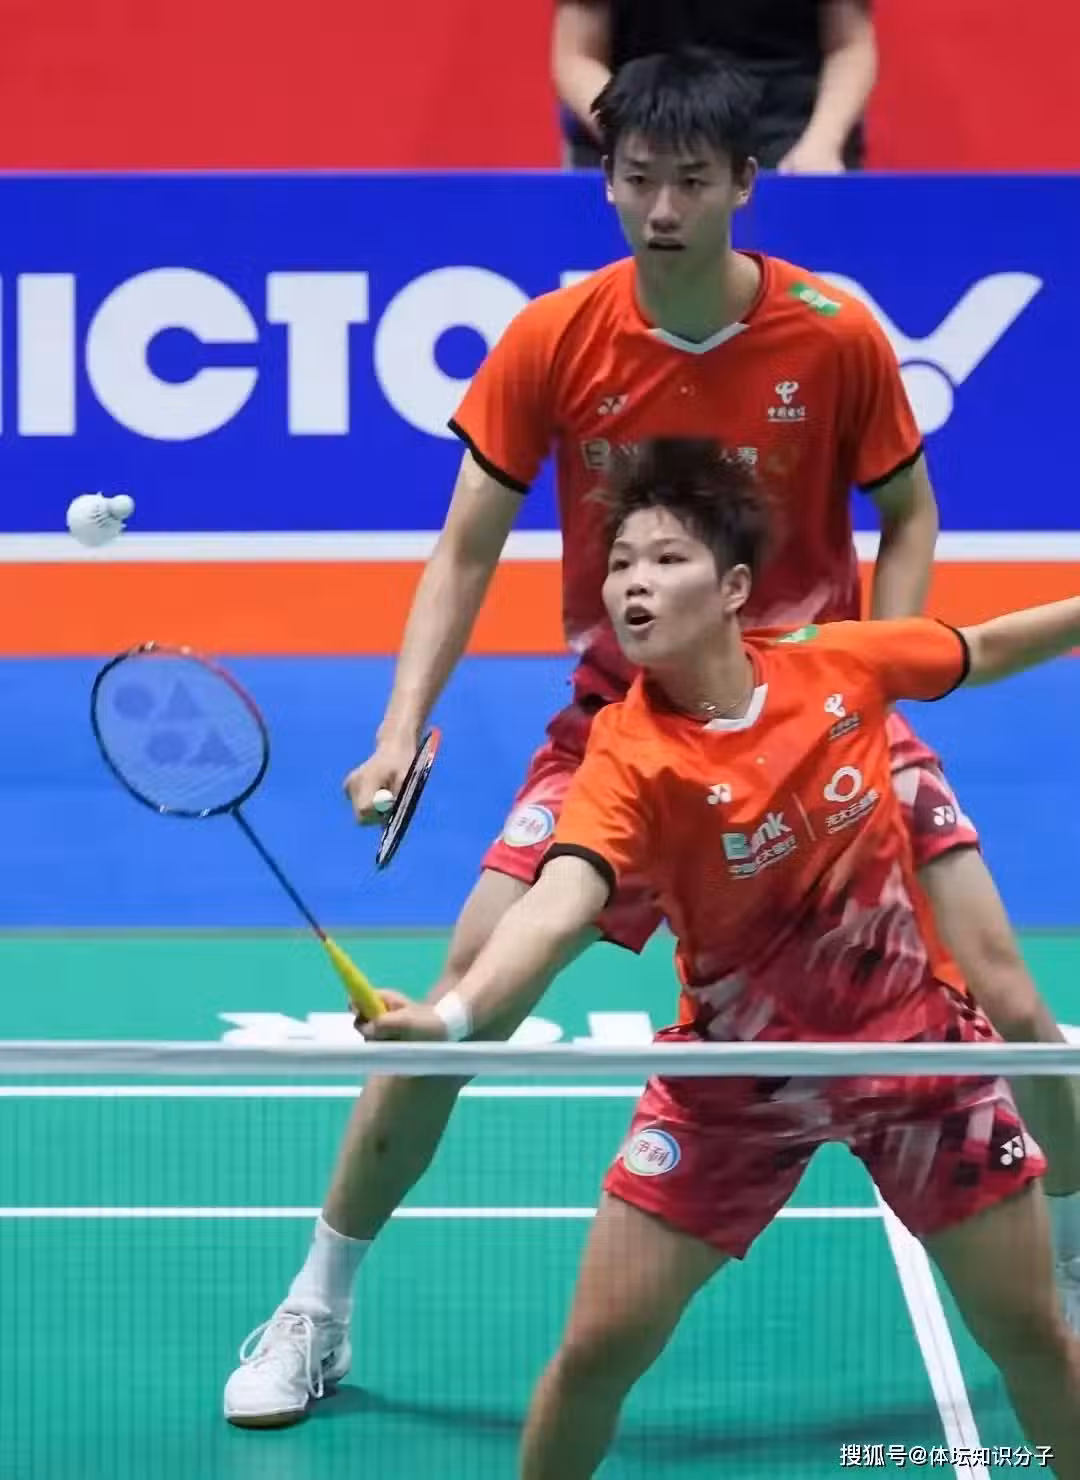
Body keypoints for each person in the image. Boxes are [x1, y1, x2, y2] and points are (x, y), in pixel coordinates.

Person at [222, 48, 1080, 1427]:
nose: (662, 207)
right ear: (607, 181)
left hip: (819, 709)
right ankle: (317, 1303)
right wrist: (399, 728)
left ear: (744, 181)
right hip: (619, 732)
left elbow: (910, 511)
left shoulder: (832, 332)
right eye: (636, 179)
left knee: (1013, 1000)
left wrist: (876, 686)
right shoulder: (556, 337)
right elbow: (464, 547)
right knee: (456, 1003)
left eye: (689, 180)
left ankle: (1064, 1258)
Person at [363, 437, 1080, 1478]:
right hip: (736, 1085)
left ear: (735, 588)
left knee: (1033, 1339)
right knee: (595, 1354)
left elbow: (984, 646)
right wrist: (453, 1018)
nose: (632, 583)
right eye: (619, 564)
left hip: (918, 1064)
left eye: (665, 559)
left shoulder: (838, 664)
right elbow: (559, 906)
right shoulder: (627, 752)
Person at [553, 1, 877, 171]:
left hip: (790, 136)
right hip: (641, 121)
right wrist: (634, 138)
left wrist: (821, 145)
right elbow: (577, 56)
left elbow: (849, 47)